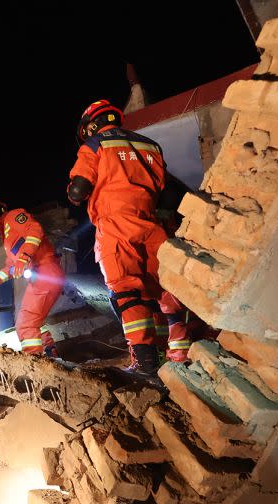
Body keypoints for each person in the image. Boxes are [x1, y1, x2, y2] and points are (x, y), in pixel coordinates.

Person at [66, 99, 193, 375]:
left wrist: (76, 192)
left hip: (115, 225)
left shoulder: (95, 145)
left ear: (90, 127)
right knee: (161, 289)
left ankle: (146, 365)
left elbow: (78, 191)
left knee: (126, 291)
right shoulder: (151, 146)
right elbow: (168, 191)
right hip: (151, 225)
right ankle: (177, 353)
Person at [0, 200, 64, 357]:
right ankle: (50, 352)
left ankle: (35, 363)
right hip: (42, 276)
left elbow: (35, 229)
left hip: (45, 272)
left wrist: (24, 256)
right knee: (35, 321)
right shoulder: (7, 239)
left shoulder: (13, 216)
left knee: (25, 324)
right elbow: (10, 268)